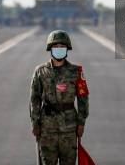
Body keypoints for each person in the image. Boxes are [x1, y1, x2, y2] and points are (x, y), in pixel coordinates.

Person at [30, 30, 89, 165]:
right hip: (47, 128)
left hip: (69, 128)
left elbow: (83, 98)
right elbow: (35, 99)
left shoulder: (76, 72)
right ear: (50, 49)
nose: (59, 49)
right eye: (56, 47)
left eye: (62, 47)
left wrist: (81, 122)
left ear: (67, 48)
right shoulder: (40, 71)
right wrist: (35, 123)